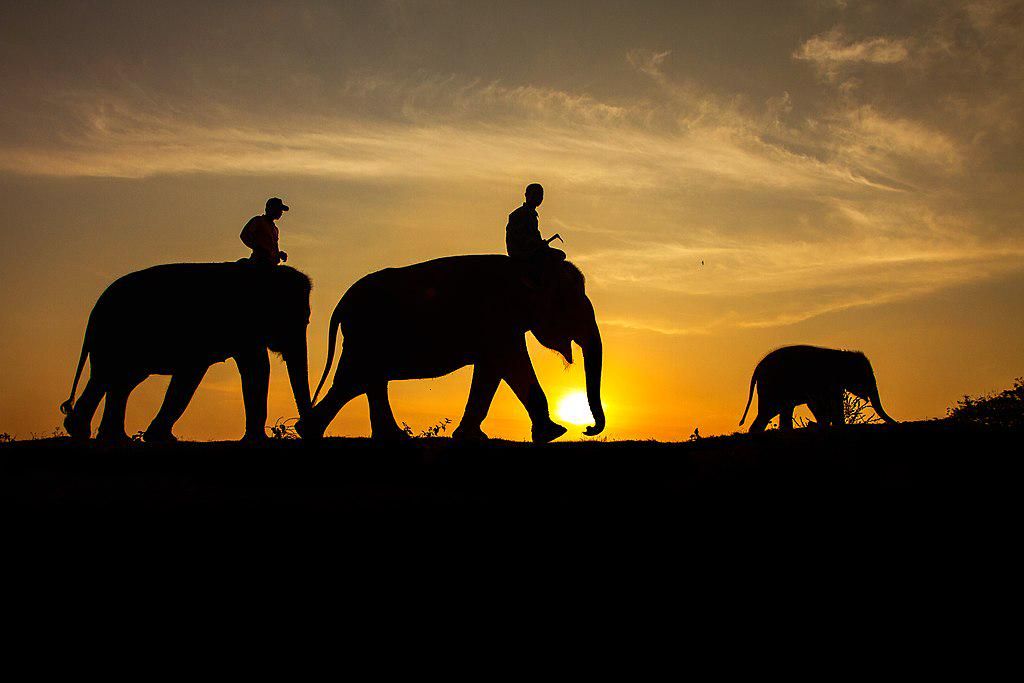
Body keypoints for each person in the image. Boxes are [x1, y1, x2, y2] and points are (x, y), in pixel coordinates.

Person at [505, 183, 566, 265]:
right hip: (522, 252)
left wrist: (541, 244)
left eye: (540, 195)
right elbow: (518, 238)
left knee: (560, 255)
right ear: (526, 195)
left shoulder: (532, 215)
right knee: (558, 255)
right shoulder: (519, 214)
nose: (538, 197)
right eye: (535, 194)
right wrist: (536, 243)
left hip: (531, 250)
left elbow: (534, 236)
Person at [240, 197, 289, 265]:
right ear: (271, 209)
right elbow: (244, 235)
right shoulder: (258, 221)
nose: (281, 212)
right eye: (279, 209)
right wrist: (257, 248)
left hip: (272, 263)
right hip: (259, 261)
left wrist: (278, 254)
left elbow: (272, 247)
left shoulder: (275, 229)